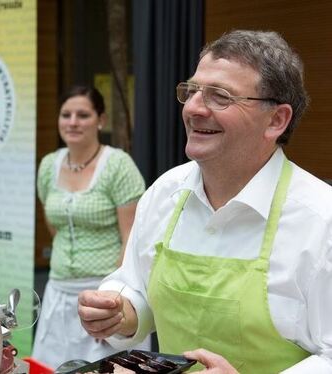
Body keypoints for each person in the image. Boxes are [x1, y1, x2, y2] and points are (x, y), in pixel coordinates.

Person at [78, 30, 332, 373]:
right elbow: (136, 284)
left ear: (276, 120)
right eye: (192, 91)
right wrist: (122, 312)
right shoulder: (165, 192)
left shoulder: (320, 219)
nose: (194, 108)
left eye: (220, 97)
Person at [31, 86, 147, 369]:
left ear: (100, 120)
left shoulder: (118, 165)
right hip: (58, 291)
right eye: (66, 114)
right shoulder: (48, 166)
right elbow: (54, 226)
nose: (73, 122)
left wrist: (109, 302)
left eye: (83, 115)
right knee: (53, 367)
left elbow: (131, 239)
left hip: (104, 293)